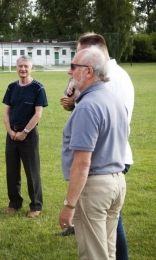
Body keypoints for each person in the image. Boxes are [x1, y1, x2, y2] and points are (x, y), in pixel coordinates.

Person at [58, 33, 134, 260]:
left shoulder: (88, 106)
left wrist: (69, 205)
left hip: (95, 186)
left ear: (89, 71)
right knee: (108, 251)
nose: (69, 71)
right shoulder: (112, 99)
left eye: (74, 67)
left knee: (95, 255)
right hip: (116, 181)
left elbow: (82, 163)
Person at [1, 55, 48, 218]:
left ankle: (36, 206)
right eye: (20, 66)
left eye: (26, 66)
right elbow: (6, 112)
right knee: (12, 171)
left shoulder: (38, 88)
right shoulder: (11, 87)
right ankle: (14, 204)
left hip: (28, 135)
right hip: (12, 134)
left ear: (31, 68)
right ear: (16, 68)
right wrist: (11, 132)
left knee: (32, 171)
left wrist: (24, 133)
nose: (23, 69)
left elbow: (38, 114)